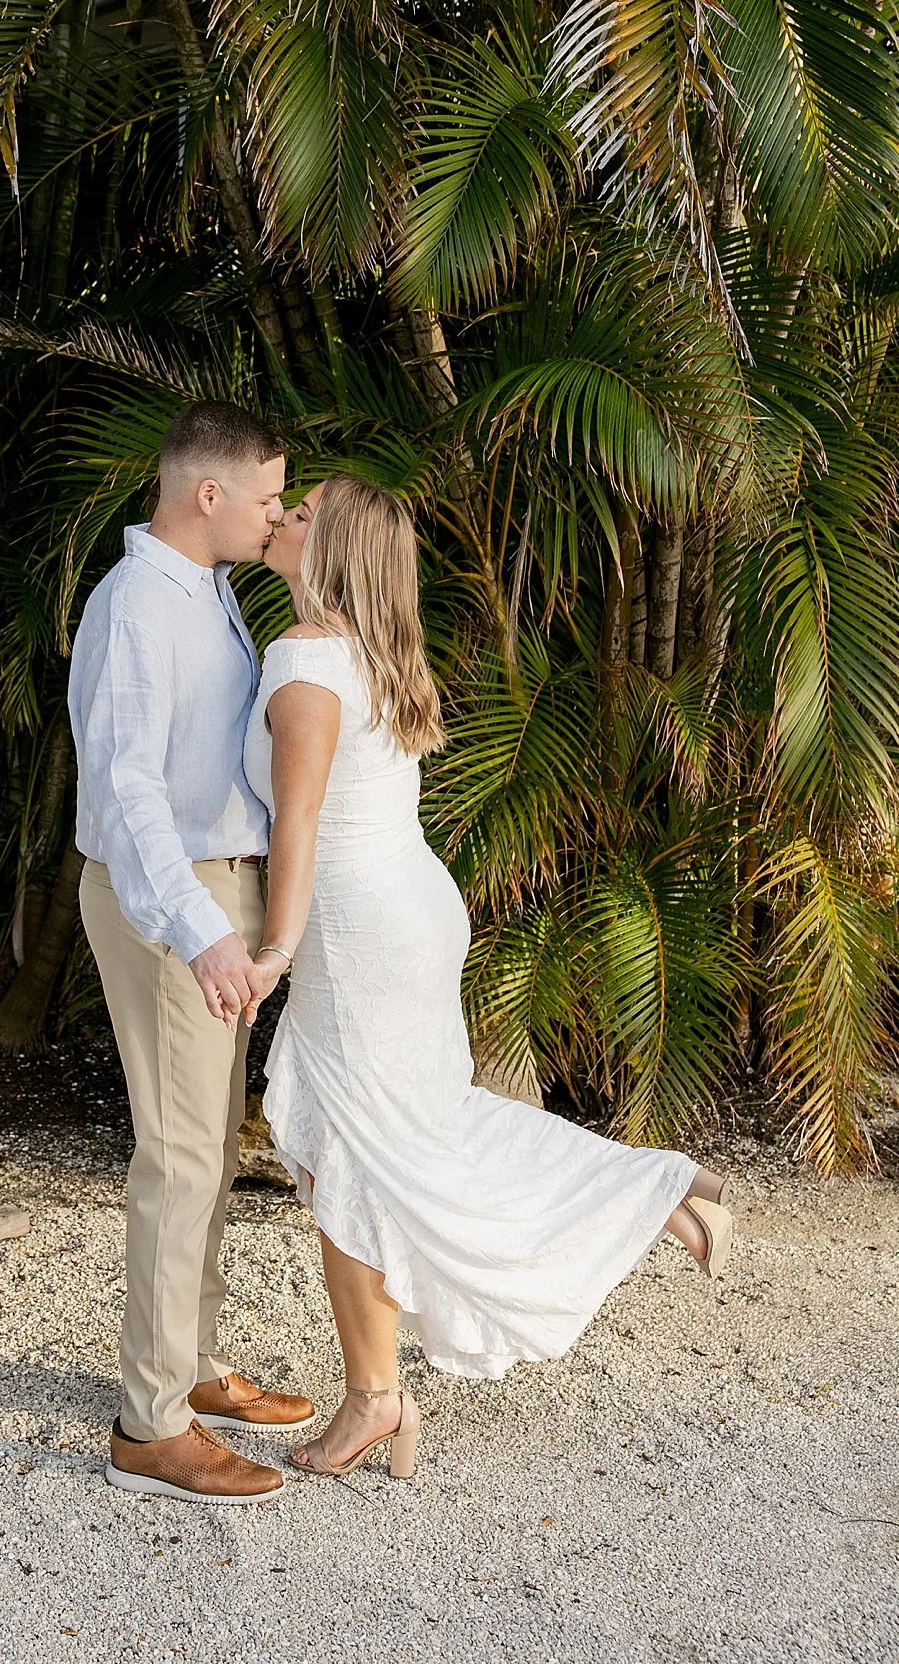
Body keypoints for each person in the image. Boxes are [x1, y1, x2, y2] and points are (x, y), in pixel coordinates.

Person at [242, 476, 733, 1483]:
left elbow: (296, 820)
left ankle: (383, 1393)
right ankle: (655, 1195)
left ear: (331, 552)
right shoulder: (373, 656)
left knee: (369, 1153)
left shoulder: (301, 658)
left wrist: (275, 949)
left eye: (302, 514)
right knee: (391, 1145)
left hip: (359, 931)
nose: (282, 517)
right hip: (409, 914)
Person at [67, 402, 316, 1503]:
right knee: (177, 1158)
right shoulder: (136, 608)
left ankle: (196, 1368)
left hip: (222, 890)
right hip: (167, 901)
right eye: (268, 498)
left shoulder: (206, 592)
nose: (278, 516)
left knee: (210, 1147)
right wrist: (208, 928)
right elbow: (127, 791)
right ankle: (149, 1426)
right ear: (205, 495)